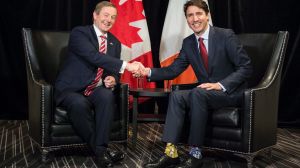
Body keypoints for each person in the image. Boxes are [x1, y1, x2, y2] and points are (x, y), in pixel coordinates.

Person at [139, 0, 253, 167]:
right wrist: (148, 72)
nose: (195, 19)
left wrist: (220, 84)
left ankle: (195, 154)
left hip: (230, 92)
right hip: (205, 93)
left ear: (207, 16)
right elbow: (173, 70)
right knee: (177, 95)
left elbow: (246, 67)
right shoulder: (189, 42)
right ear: (187, 20)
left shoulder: (225, 35)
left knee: (198, 92)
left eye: (199, 14)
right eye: (190, 15)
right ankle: (171, 153)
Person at [54, 1, 143, 168]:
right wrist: (128, 66)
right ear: (95, 16)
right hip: (71, 88)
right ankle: (101, 151)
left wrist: (113, 78)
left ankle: (100, 149)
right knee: (78, 103)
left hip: (95, 88)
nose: (109, 20)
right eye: (106, 15)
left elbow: (111, 69)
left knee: (107, 95)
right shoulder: (80, 33)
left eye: (113, 17)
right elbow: (94, 56)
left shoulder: (115, 43)